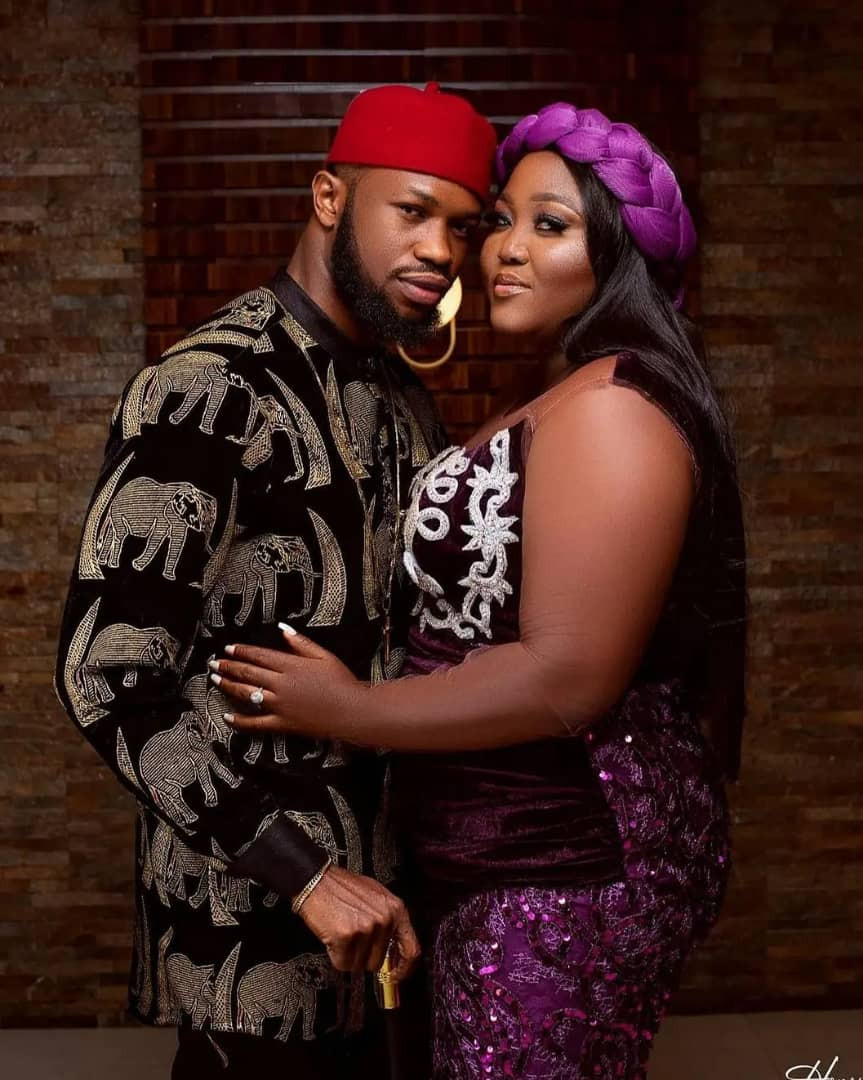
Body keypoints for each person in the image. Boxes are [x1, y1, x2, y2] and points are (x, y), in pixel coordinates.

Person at [212, 103, 748, 1080]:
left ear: (619, 252)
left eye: (549, 225)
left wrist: (351, 708)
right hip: (497, 856)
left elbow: (568, 676)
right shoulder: (564, 394)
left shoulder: (615, 409)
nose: (502, 249)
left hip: (564, 859)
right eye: (499, 221)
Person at [54, 83, 496, 1078]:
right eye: (412, 210)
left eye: (461, 227)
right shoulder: (209, 386)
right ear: (328, 197)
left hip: (388, 923)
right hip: (245, 938)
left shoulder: (402, 397)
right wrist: (304, 876)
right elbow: (105, 675)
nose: (438, 250)